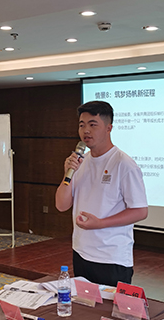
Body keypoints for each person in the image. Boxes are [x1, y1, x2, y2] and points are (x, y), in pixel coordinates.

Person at [55, 100, 148, 286]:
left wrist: (100, 223)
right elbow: (61, 205)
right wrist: (67, 174)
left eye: (92, 125)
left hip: (111, 257)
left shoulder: (124, 164)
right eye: (82, 125)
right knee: (83, 304)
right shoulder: (80, 162)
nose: (86, 131)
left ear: (109, 128)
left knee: (109, 305)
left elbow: (140, 211)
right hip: (81, 251)